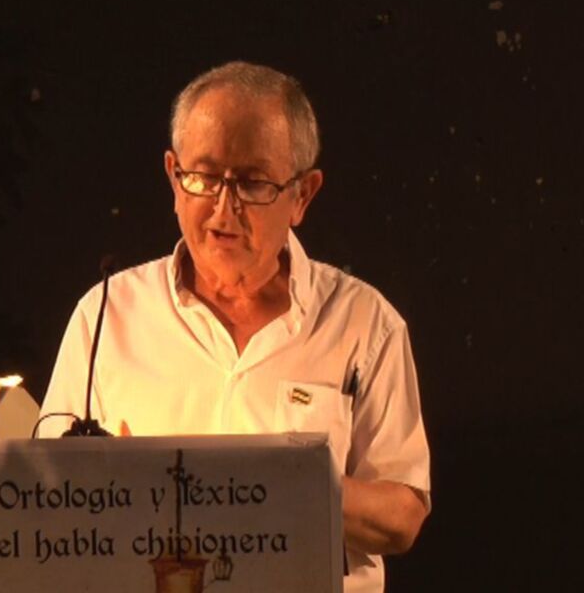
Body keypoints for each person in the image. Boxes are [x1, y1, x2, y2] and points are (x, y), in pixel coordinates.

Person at [39, 61, 430, 592]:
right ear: (174, 178)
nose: (224, 208)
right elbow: (52, 499)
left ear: (302, 196)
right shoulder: (108, 314)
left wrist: (267, 484)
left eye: (252, 183)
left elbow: (402, 514)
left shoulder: (364, 323)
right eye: (202, 177)